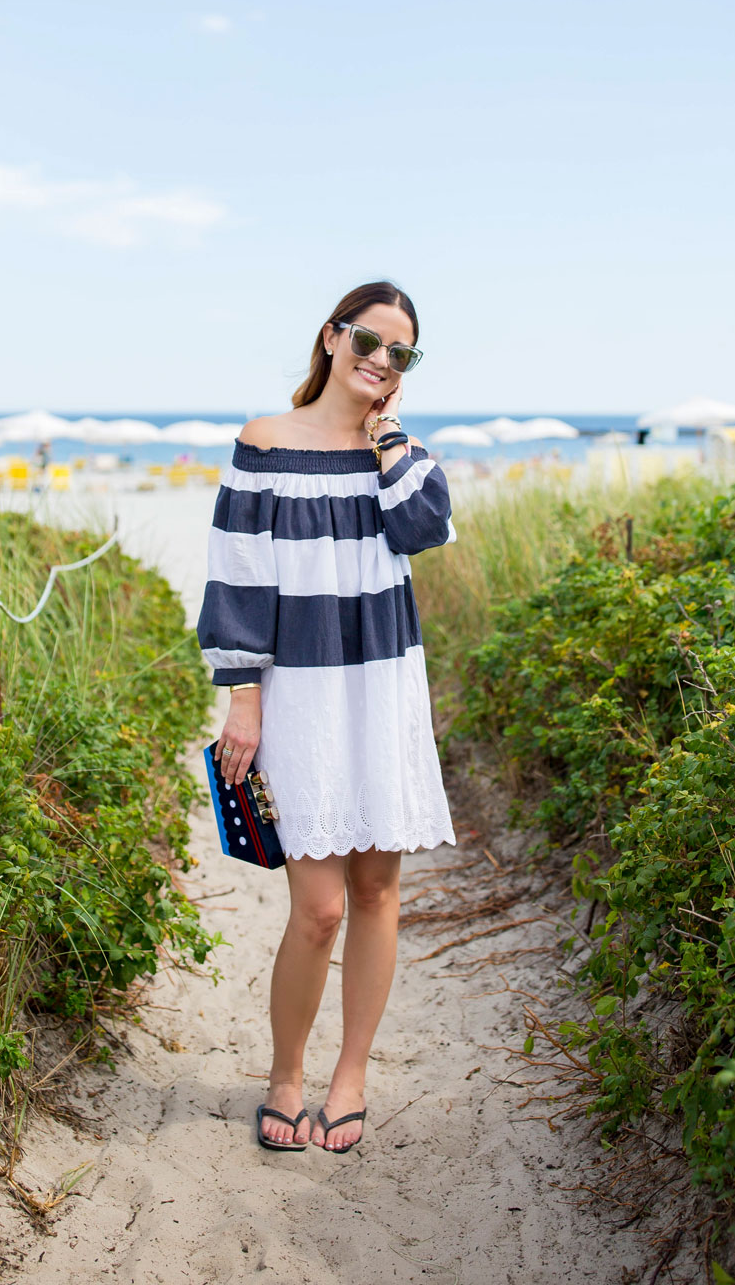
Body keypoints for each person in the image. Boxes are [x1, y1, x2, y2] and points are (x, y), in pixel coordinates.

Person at [196, 280, 457, 1155]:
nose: (380, 361)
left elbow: (423, 530)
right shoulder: (264, 441)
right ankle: (285, 1074)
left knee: (378, 890)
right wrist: (243, 700)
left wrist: (385, 440)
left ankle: (350, 1075)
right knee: (317, 909)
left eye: (400, 353)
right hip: (300, 690)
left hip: (381, 682)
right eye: (368, 341)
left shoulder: (403, 450)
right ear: (331, 336)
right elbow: (235, 576)